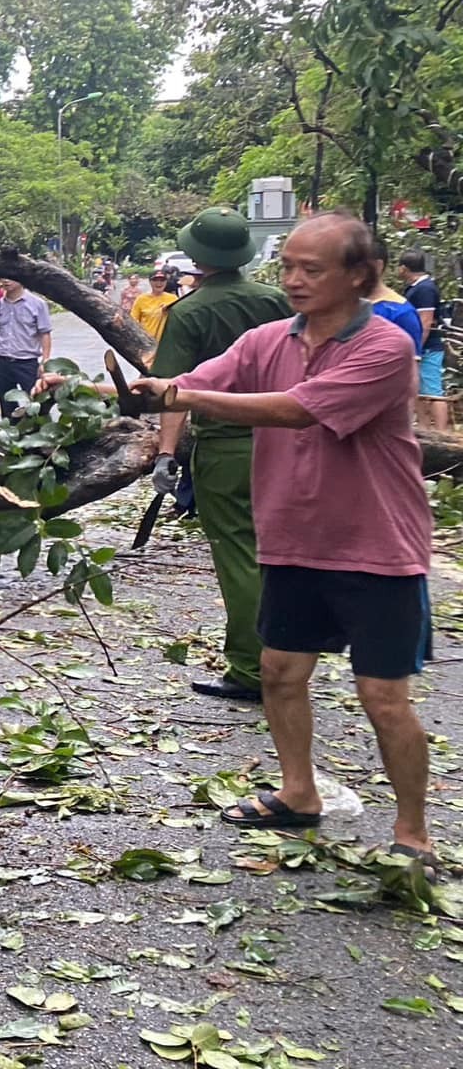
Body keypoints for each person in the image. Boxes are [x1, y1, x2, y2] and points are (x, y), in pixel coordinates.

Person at [126, 215, 438, 870]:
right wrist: (106, 390)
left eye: (311, 269)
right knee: (279, 673)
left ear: (359, 275)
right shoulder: (270, 337)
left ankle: (413, 834)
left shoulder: (383, 348)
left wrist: (181, 394)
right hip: (295, 539)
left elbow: (296, 408)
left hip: (377, 546)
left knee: (383, 698)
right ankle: (299, 792)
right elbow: (205, 377)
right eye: (288, 266)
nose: (294, 280)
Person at [149, 206, 292, 702]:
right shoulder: (278, 301)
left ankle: (252, 669)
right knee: (278, 552)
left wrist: (165, 454)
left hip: (226, 448)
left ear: (195, 256)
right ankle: (289, 659)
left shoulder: (187, 312)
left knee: (237, 555)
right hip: (286, 439)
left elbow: (172, 391)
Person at [0, 275, 52, 414]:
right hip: (1, 362)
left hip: (27, 363)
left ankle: (37, 432)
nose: (6, 280)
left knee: (38, 401)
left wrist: (45, 360)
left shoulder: (37, 304)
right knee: (6, 404)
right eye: (2, 277)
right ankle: (11, 431)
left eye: (11, 277)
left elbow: (45, 333)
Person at [399, 249, 449, 430]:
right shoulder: (415, 287)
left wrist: (416, 350)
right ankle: (424, 427)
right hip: (420, 347)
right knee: (417, 388)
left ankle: (442, 433)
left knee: (433, 390)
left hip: (428, 347)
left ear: (404, 268)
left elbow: (425, 322)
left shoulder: (425, 288)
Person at [131, 269, 179, 343]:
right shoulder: (141, 299)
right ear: (150, 282)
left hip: (167, 342)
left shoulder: (173, 298)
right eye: (155, 280)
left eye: (162, 280)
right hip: (146, 342)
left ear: (166, 282)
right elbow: (133, 321)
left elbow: (179, 320)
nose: (159, 283)